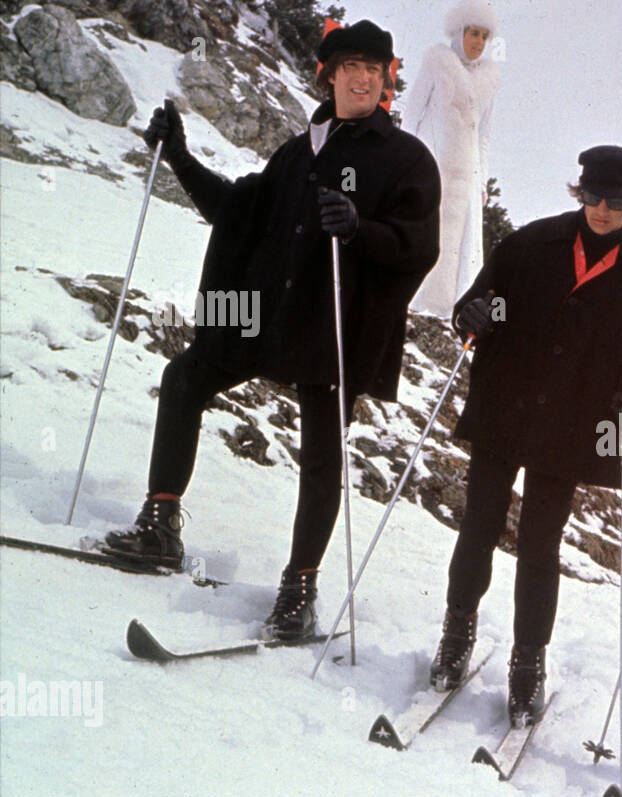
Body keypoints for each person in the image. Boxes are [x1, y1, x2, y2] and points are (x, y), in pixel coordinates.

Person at [103, 20, 441, 640]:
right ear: (330, 75)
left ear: (388, 78)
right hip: (261, 310)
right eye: (350, 66)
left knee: (320, 458)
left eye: (374, 67)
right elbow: (237, 212)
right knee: (184, 377)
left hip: (331, 325)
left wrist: (361, 228)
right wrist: (177, 155)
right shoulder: (297, 149)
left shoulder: (406, 159)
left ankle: (299, 589)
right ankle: (160, 526)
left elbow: (419, 246)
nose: (362, 77)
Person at [431, 145, 622, 727]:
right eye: (592, 196)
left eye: (615, 201)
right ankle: (456, 635)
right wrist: (475, 317)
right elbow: (476, 302)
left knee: (540, 545)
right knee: (479, 524)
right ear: (580, 191)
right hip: (505, 407)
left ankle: (527, 665)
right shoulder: (532, 243)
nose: (602, 210)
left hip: (570, 428)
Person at [406, 0, 501, 321]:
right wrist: (404, 160)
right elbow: (414, 112)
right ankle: (416, 299)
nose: (478, 42)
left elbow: (484, 136)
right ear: (459, 32)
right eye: (474, 33)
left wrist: (483, 179)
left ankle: (447, 308)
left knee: (460, 242)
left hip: (467, 175)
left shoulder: (490, 77)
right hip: (430, 162)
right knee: (427, 229)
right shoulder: (437, 61)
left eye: (485, 36)